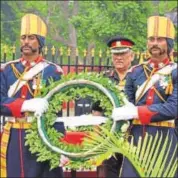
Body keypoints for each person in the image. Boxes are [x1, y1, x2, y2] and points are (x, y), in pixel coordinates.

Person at [112, 16, 177, 177]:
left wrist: (135, 113)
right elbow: (126, 104)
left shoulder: (175, 72)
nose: (154, 43)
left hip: (165, 142)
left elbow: (172, 109)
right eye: (151, 39)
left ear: (169, 43)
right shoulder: (135, 72)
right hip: (135, 142)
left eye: (160, 39)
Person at [0, 13, 65, 178]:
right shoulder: (7, 70)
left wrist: (60, 147)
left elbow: (56, 114)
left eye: (31, 37)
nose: (26, 42)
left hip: (42, 136)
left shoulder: (53, 71)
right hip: (13, 136)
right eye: (23, 38)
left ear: (40, 41)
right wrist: (25, 105)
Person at [95, 36, 135, 178]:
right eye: (115, 54)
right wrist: (98, 136)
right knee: (108, 172)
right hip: (109, 136)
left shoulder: (138, 76)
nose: (118, 58)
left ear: (131, 56)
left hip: (133, 137)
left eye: (122, 53)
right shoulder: (104, 78)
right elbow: (97, 110)